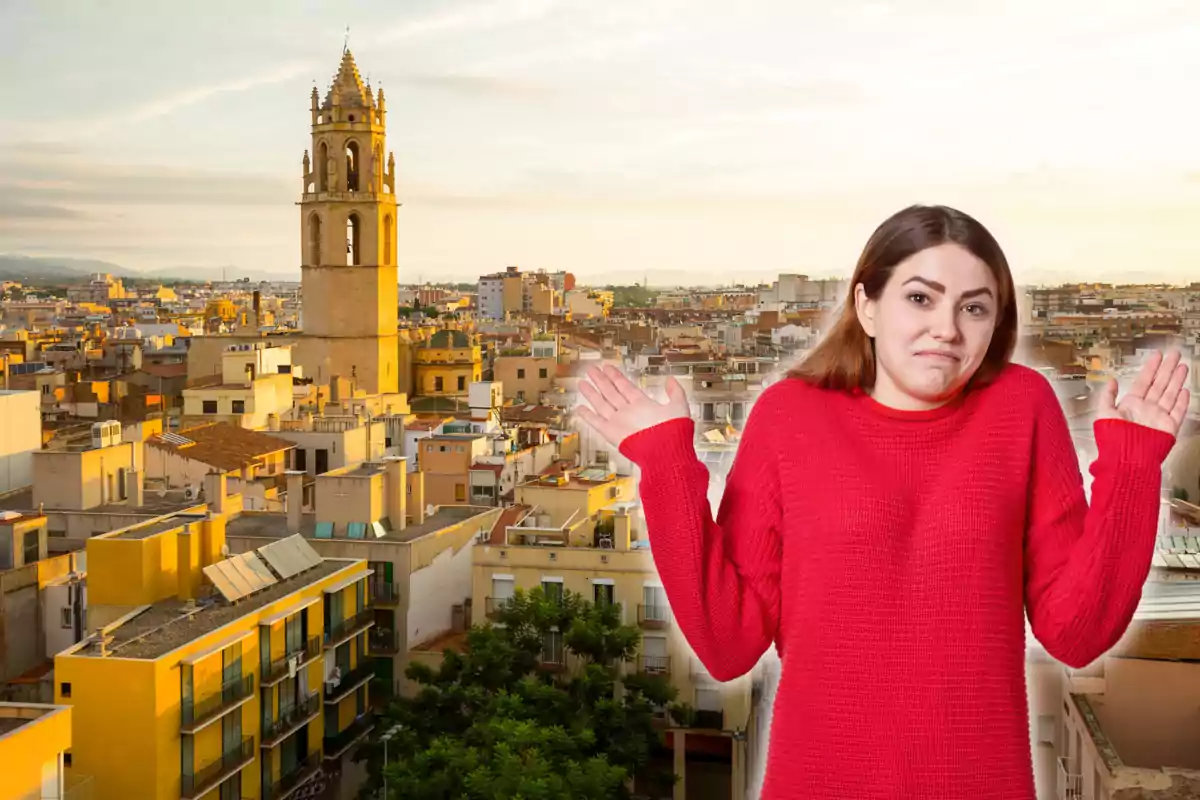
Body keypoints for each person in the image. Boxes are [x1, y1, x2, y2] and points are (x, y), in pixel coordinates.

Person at [574, 204, 1189, 800]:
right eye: (919, 298)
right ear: (866, 305)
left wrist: (1133, 466)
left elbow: (1077, 634)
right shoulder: (787, 417)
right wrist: (664, 463)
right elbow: (727, 644)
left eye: (973, 308)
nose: (946, 328)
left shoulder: (1022, 406)